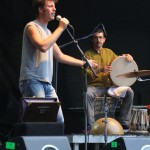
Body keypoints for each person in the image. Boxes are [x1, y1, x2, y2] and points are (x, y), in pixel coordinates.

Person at [19, 0, 98, 124]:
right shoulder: (31, 27)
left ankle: (50, 143)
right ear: (40, 9)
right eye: (50, 6)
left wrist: (84, 63)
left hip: (46, 83)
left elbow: (60, 56)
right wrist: (61, 28)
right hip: (32, 80)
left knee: (59, 119)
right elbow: (43, 46)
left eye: (54, 6)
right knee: (40, 119)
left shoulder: (48, 32)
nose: (54, 9)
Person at [84, 28, 134, 131]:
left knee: (129, 91)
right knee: (87, 93)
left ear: (104, 39)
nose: (98, 40)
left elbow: (119, 61)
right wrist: (100, 70)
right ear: (92, 39)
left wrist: (126, 57)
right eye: (96, 38)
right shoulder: (87, 54)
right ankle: (91, 126)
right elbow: (85, 74)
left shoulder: (109, 52)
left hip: (110, 88)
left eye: (100, 37)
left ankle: (124, 122)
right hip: (95, 87)